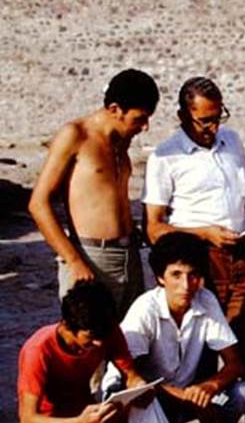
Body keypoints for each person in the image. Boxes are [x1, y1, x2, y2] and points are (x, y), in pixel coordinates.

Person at [143, 77, 245, 423]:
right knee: (201, 352)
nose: (213, 127)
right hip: (200, 262)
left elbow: (243, 198)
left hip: (242, 257)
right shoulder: (165, 156)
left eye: (218, 117)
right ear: (183, 116)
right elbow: (153, 227)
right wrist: (204, 234)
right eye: (204, 121)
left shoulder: (232, 142)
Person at [102, 232, 245, 423]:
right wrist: (183, 396)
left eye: (193, 275)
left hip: (182, 391)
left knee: (241, 393)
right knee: (152, 407)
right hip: (141, 394)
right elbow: (131, 376)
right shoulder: (145, 309)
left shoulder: (206, 300)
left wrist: (210, 387)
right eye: (176, 275)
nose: (186, 285)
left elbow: (234, 364)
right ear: (160, 277)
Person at [29, 69, 159, 317]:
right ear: (114, 109)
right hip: (91, 258)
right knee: (91, 347)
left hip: (129, 257)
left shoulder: (122, 141)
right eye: (139, 119)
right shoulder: (75, 135)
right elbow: (38, 203)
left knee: (133, 344)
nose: (145, 127)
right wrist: (73, 261)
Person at [18, 281, 150, 423]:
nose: (98, 344)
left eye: (102, 336)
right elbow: (28, 420)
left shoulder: (105, 330)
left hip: (85, 410)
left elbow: (130, 374)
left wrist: (139, 388)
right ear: (67, 325)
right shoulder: (37, 351)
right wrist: (79, 422)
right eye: (91, 337)